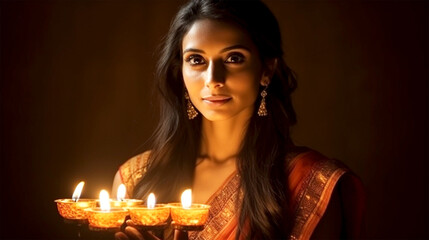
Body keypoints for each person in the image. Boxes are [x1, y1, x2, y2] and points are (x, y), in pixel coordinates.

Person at [113, 0, 365, 239]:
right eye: (196, 60)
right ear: (180, 72)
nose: (213, 79)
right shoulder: (137, 179)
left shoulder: (310, 181)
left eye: (234, 58)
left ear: (266, 69)